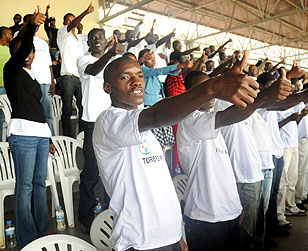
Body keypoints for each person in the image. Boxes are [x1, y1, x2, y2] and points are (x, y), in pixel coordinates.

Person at [92, 51, 258, 251]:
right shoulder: (109, 121)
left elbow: (160, 185)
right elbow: (156, 115)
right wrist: (211, 88)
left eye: (140, 75)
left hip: (168, 237)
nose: (136, 82)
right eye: (125, 77)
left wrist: (177, 233)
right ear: (107, 87)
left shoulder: (141, 123)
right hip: (140, 242)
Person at [177, 68, 291, 251]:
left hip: (227, 212)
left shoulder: (209, 120)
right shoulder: (190, 120)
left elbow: (224, 170)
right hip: (206, 215)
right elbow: (227, 116)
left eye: (212, 88)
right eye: (204, 89)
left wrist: (235, 207)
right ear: (190, 94)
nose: (211, 94)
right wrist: (263, 96)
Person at [4, 8, 53, 248]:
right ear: (14, 53)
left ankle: (43, 230)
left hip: (41, 135)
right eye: (22, 50)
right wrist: (32, 27)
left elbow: (40, 111)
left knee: (38, 183)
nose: (27, 54)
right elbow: (22, 48)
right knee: (24, 186)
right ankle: (27, 237)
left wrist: (50, 137)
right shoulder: (10, 71)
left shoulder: (33, 78)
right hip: (22, 135)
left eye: (30, 51)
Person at [76, 29, 124, 232]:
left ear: (107, 41)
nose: (97, 40)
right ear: (88, 41)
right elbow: (94, 70)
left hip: (114, 121)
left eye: (100, 38)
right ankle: (86, 220)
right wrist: (111, 53)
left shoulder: (114, 62)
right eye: (93, 37)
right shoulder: (83, 60)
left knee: (115, 171)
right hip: (93, 124)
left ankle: (111, 214)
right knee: (91, 173)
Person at [57, 3, 94, 137]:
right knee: (67, 109)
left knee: (82, 107)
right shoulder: (62, 33)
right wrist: (86, 12)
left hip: (79, 77)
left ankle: (82, 135)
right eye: (69, 20)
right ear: (64, 22)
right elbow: (72, 25)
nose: (72, 23)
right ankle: (67, 136)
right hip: (67, 76)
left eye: (73, 20)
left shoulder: (78, 39)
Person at [30, 18, 56, 135]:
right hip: (30, 82)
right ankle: (36, 138)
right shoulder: (20, 39)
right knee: (32, 114)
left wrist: (52, 82)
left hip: (45, 83)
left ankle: (51, 140)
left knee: (48, 115)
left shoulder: (43, 43)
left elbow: (49, 64)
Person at [0, 26, 12, 141]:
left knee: (4, 117)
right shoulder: (6, 50)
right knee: (2, 117)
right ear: (4, 34)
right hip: (1, 87)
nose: (11, 36)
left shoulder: (9, 50)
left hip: (7, 86)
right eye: (10, 34)